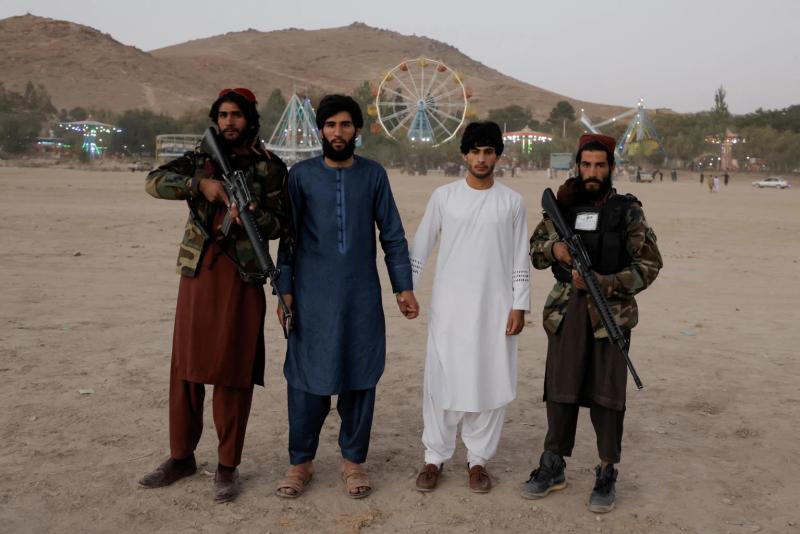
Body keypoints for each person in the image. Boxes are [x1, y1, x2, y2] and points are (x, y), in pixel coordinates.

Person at [139, 88, 290, 502]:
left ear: (250, 119)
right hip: (199, 271)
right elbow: (153, 182)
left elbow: (283, 224)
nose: (228, 122)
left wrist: (253, 213)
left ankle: (227, 466)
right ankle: (180, 457)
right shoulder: (200, 158)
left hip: (243, 275)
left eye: (236, 115)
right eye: (222, 115)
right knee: (186, 368)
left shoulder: (270, 167)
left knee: (233, 372)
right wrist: (199, 185)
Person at [274, 94, 419, 499]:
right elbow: (288, 239)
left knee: (360, 374)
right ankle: (300, 462)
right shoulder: (300, 176)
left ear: (357, 129)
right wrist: (285, 291)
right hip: (311, 297)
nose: (338, 132)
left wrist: (403, 286)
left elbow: (392, 234)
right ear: (321, 130)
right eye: (331, 125)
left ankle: (354, 461)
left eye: (345, 124)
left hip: (361, 296)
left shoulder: (373, 175)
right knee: (306, 378)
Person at [522, 134, 662, 513]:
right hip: (566, 312)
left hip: (610, 315)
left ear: (611, 168)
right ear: (578, 166)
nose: (593, 172)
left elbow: (650, 265)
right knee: (560, 390)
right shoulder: (563, 207)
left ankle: (606, 470)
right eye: (586, 165)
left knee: (608, 396)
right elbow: (535, 250)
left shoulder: (627, 212)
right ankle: (553, 465)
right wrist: (555, 249)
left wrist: (606, 282)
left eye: (600, 165)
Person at [410, 122, 530, 494]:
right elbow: (422, 243)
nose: (481, 159)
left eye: (488, 151)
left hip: (495, 309)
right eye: (475, 151)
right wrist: (407, 288)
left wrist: (520, 305)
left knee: (489, 378)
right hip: (449, 309)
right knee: (442, 379)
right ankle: (434, 457)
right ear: (464, 154)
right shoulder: (444, 197)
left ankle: (478, 461)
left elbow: (520, 257)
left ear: (498, 156)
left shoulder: (512, 202)